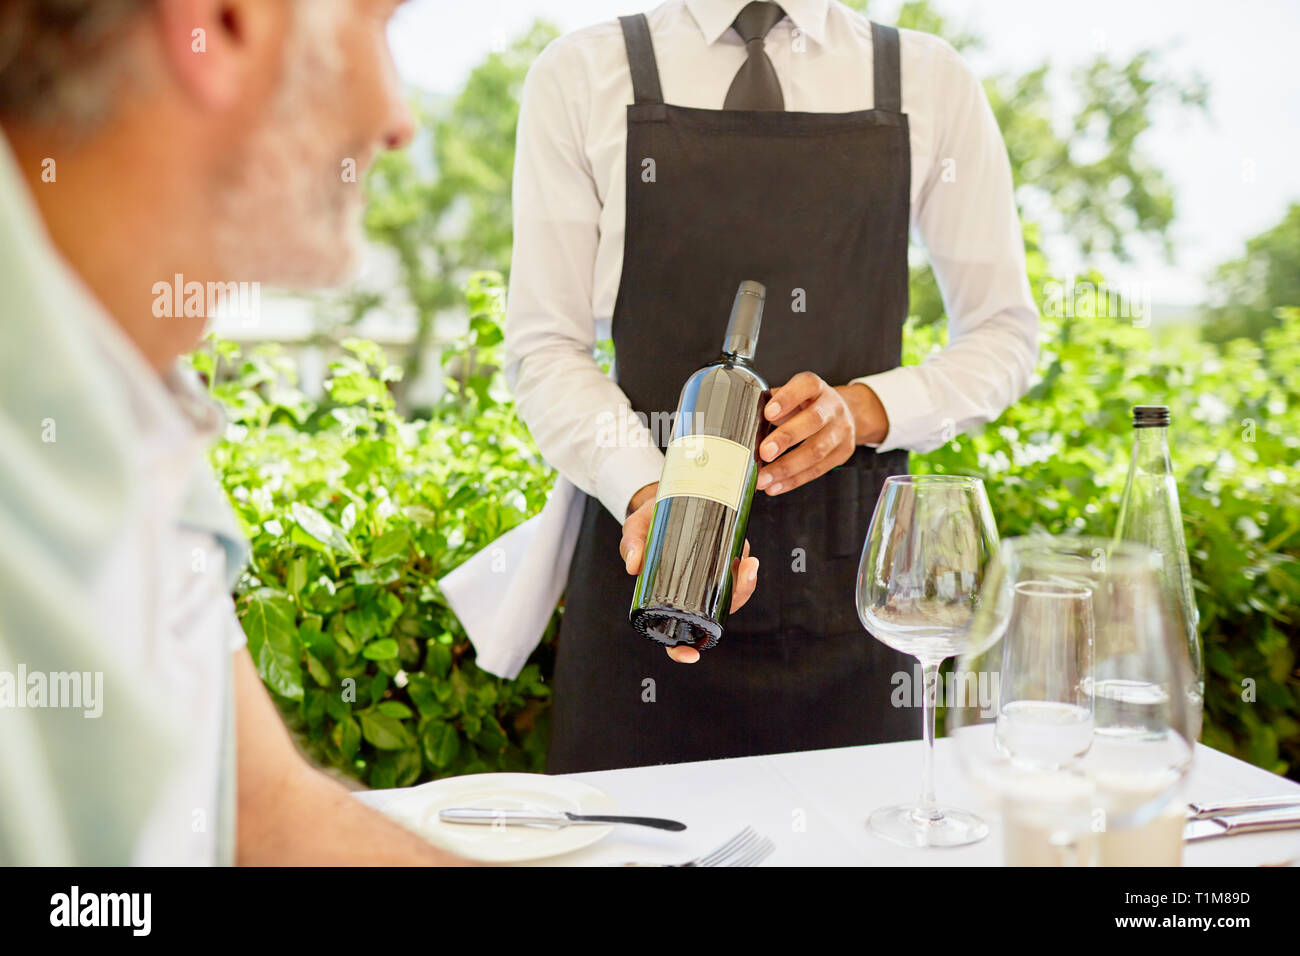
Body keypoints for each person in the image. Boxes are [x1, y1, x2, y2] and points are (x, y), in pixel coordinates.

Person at [504, 0, 1039, 773]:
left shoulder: (927, 80)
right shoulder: (582, 72)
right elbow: (545, 348)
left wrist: (864, 411)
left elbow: (1003, 335)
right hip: (646, 573)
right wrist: (647, 495)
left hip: (860, 594)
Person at [0, 0, 462, 865]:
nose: (397, 120)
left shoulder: (137, 401)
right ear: (226, 21)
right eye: (376, 24)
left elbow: (268, 816)